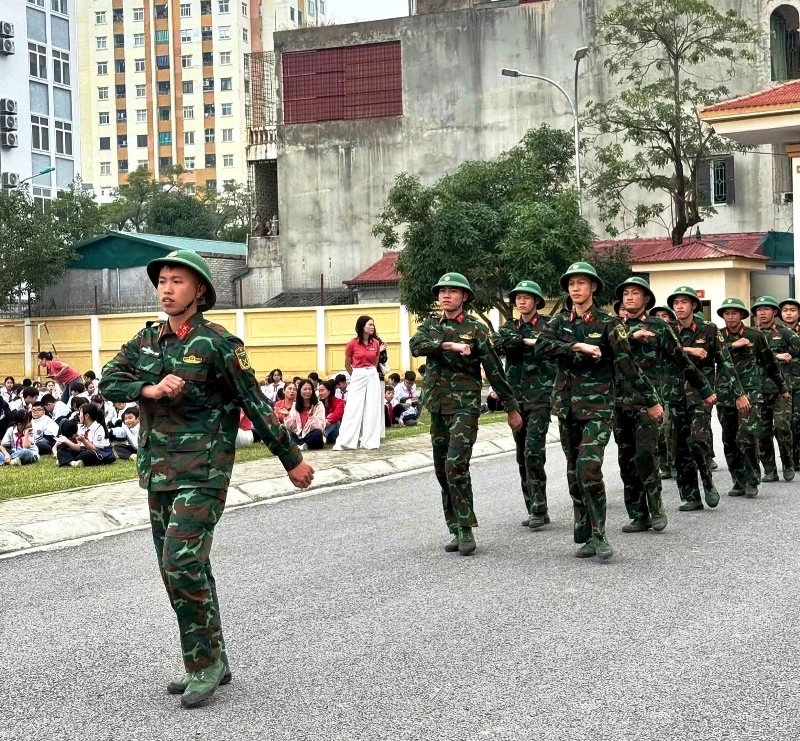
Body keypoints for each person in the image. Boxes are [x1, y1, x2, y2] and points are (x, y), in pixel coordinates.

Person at [99, 249, 314, 709]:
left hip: (204, 470)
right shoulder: (147, 340)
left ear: (199, 290)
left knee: (181, 563)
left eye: (178, 281)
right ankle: (209, 654)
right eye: (162, 281)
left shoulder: (218, 344)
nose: (167, 288)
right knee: (177, 569)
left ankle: (203, 665)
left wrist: (290, 458)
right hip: (158, 473)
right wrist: (150, 387)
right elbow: (109, 379)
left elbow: (255, 402)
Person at [539, 263, 661, 561]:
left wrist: (651, 400)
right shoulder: (559, 324)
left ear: (593, 287)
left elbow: (627, 363)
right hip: (567, 408)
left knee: (588, 469)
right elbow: (542, 347)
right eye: (571, 284)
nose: (575, 288)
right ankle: (585, 527)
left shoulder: (609, 323)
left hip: (598, 408)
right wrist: (576, 346)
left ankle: (600, 534)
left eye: (581, 283)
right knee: (573, 471)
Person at [410, 272, 522, 556]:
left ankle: (465, 526)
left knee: (455, 464)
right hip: (436, 407)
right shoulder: (430, 325)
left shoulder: (476, 329)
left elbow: (494, 368)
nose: (446, 295)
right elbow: (416, 346)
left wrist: (510, 407)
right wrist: (447, 345)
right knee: (440, 469)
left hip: (464, 407)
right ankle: (454, 526)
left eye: (453, 291)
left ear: (465, 297)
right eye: (442, 291)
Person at [614, 278, 716, 533]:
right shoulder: (613, 326)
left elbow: (680, 358)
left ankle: (656, 508)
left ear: (646, 299)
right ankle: (638, 515)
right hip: (618, 403)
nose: (629, 298)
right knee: (626, 461)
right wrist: (630, 338)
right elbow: (603, 353)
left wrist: (704, 389)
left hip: (649, 404)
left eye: (634, 293)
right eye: (625, 294)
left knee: (647, 457)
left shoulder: (659, 326)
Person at [668, 287, 745, 511]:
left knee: (697, 440)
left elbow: (725, 362)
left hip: (700, 396)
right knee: (679, 447)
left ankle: (708, 482)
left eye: (684, 302)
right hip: (673, 395)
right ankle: (690, 495)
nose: (679, 306)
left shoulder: (709, 330)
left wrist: (739, 393)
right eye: (676, 303)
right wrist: (690, 350)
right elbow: (663, 353)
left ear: (694, 306)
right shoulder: (668, 330)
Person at [492, 280, 558, 530]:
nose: (521, 301)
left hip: (541, 398)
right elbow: (498, 345)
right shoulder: (508, 327)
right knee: (521, 455)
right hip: (516, 399)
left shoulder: (549, 326)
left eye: (527, 297)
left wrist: (522, 342)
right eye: (518, 297)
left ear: (537, 301)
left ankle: (540, 508)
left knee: (533, 452)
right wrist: (525, 342)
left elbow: (550, 347)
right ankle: (532, 505)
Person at [717, 298, 788, 498]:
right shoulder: (718, 336)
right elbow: (712, 357)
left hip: (750, 393)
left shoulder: (755, 335)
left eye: (734, 313)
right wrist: (733, 345)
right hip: (725, 394)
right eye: (727, 313)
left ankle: (751, 478)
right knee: (729, 439)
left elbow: (769, 363)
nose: (730, 317)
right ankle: (737, 480)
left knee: (746, 436)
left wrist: (782, 387)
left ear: (742, 315)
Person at [751, 295, 800, 482]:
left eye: (767, 309)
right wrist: (776, 356)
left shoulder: (785, 333)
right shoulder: (750, 334)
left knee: (782, 427)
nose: (762, 313)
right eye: (759, 309)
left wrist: (790, 358)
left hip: (781, 390)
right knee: (762, 432)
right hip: (758, 390)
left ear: (774, 313)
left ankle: (788, 463)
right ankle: (770, 469)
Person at [333, 316, 385, 451]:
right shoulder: (352, 344)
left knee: (372, 407)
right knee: (353, 407)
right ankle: (347, 441)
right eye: (370, 324)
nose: (372, 327)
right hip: (358, 374)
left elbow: (376, 361)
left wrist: (369, 372)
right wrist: (355, 376)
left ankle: (370, 441)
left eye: (373, 325)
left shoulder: (376, 343)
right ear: (362, 326)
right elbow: (347, 363)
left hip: (372, 374)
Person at [651, 304, 678, 479]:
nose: (662, 318)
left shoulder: (675, 335)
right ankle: (663, 464)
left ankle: (674, 463)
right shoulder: (647, 335)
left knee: (670, 428)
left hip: (672, 390)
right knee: (658, 430)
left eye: (665, 315)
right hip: (653, 390)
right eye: (658, 316)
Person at [56, 403, 116, 468]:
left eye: (80, 414)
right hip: (84, 450)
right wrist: (66, 441)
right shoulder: (82, 427)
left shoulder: (99, 428)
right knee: (61, 450)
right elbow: (79, 447)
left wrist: (84, 441)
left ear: (86, 416)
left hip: (98, 452)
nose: (79, 416)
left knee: (87, 454)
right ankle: (73, 463)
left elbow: (95, 449)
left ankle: (66, 460)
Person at [780, 297, 800, 470]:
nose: (788, 313)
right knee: (785, 422)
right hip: (782, 384)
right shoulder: (774, 332)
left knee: (798, 420)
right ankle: (790, 459)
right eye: (785, 310)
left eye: (792, 310)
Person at [285, 378, 326, 450]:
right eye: (305, 389)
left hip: (313, 437)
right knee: (286, 432)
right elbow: (292, 428)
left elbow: (321, 426)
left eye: (310, 389)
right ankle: (302, 444)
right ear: (300, 391)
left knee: (318, 433)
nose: (308, 391)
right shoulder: (295, 406)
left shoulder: (318, 405)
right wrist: (287, 416)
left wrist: (311, 416)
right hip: (299, 436)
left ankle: (299, 444)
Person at [318, 379, 344, 445]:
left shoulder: (339, 401)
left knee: (336, 422)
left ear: (329, 391)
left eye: (322, 390)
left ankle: (321, 437)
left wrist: (328, 420)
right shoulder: (317, 403)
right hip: (321, 427)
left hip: (334, 433)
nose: (320, 393)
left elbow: (338, 415)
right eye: (319, 391)